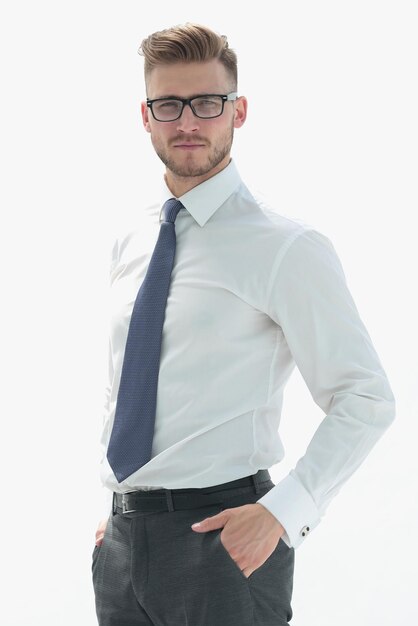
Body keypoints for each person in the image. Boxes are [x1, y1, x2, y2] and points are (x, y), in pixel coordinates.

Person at [91, 22, 396, 626]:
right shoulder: (133, 240)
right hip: (123, 549)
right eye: (169, 105)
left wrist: (283, 513)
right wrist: (117, 510)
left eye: (207, 103)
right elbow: (127, 384)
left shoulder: (286, 247)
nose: (188, 123)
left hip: (224, 543)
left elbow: (365, 397)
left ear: (239, 110)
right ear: (145, 116)